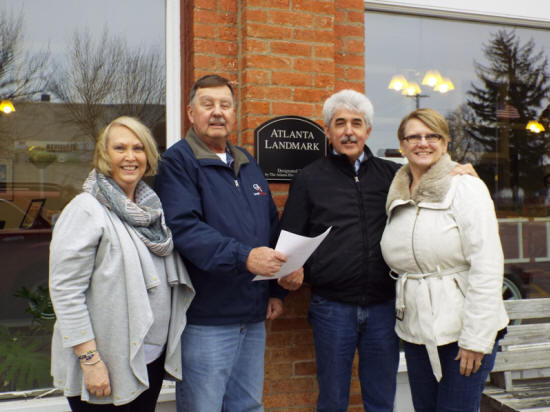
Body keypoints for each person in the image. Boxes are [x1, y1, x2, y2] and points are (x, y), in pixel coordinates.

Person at [155, 74, 302, 412]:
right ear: (191, 113)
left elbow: (270, 227)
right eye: (208, 104)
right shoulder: (178, 162)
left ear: (234, 114)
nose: (217, 112)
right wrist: (245, 257)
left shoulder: (247, 163)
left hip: (252, 317)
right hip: (206, 319)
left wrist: (277, 287)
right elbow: (185, 229)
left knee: (247, 406)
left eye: (225, 105)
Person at [49, 116, 195, 411]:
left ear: (148, 156)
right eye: (120, 148)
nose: (130, 157)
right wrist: (90, 361)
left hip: (149, 361)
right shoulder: (86, 209)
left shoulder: (151, 211)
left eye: (138, 148)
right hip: (105, 366)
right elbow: (66, 291)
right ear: (104, 156)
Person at [279, 89, 401, 412]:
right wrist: (288, 273)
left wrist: (459, 170)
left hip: (384, 307)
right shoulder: (308, 178)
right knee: (333, 401)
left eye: (356, 123)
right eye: (340, 123)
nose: (349, 131)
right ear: (327, 131)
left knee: (381, 400)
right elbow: (290, 235)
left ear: (368, 131)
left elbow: (430, 187)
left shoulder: (392, 176)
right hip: (332, 308)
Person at [380, 108, 509, 412]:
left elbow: (487, 265)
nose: (423, 143)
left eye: (432, 136)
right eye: (414, 137)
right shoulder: (397, 192)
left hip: (462, 331)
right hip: (417, 332)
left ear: (445, 142)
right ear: (402, 145)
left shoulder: (465, 186)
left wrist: (476, 339)